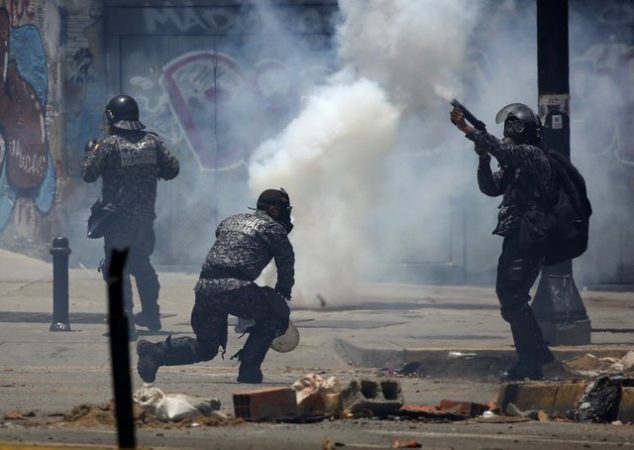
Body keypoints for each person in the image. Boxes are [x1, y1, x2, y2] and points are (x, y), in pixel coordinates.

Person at [136, 188, 295, 384]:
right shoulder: (274, 229)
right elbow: (286, 265)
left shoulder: (230, 221)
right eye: (283, 209)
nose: (285, 214)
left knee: (206, 347)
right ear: (273, 209)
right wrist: (281, 295)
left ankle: (154, 353)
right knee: (273, 316)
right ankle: (249, 369)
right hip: (236, 287)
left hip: (205, 287)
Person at [450, 103, 555, 380]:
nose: (506, 133)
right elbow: (491, 187)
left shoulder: (532, 155)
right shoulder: (515, 162)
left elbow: (504, 149)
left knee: (512, 295)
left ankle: (532, 361)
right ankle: (536, 353)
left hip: (529, 235)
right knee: (509, 294)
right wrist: (483, 158)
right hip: (516, 234)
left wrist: (468, 130)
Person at [81, 95, 180, 338]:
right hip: (145, 219)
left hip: (118, 219)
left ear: (112, 118)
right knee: (142, 265)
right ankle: (151, 314)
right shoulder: (152, 142)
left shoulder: (109, 144)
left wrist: (91, 150)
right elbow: (173, 169)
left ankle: (125, 321)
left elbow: (88, 174)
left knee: (117, 270)